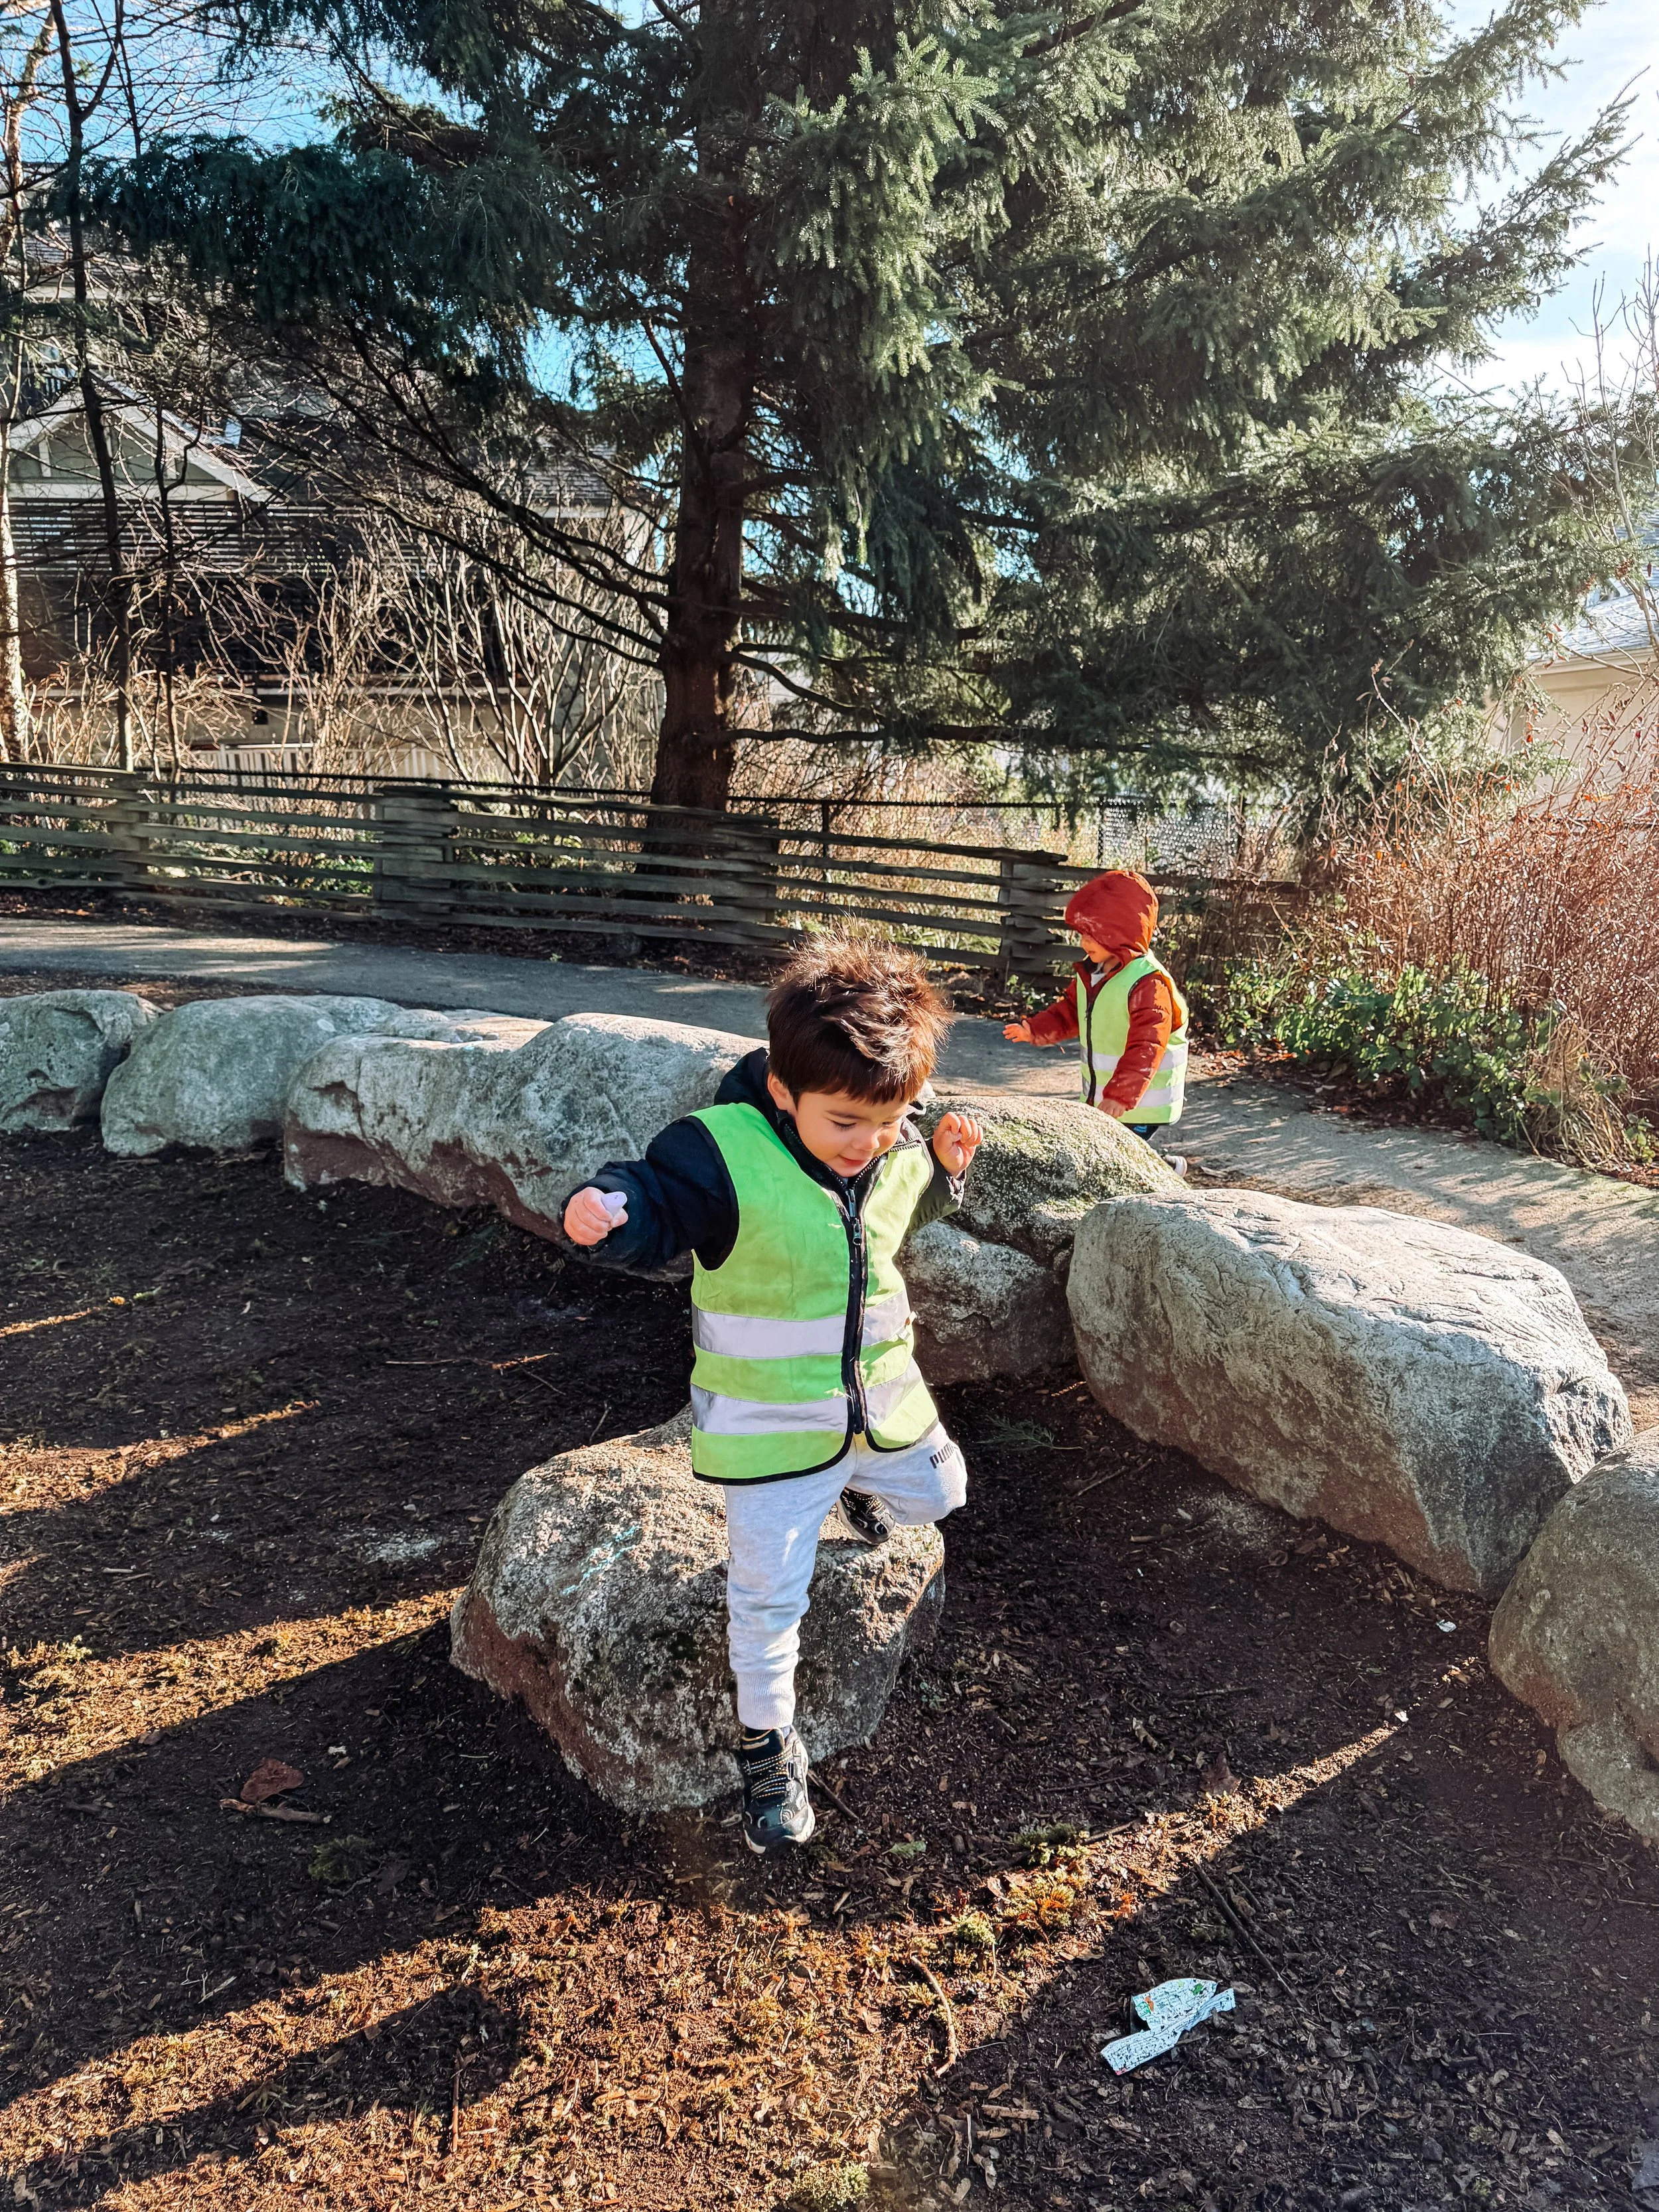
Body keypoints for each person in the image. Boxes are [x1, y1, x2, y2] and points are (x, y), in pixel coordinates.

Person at [561, 938, 983, 1856]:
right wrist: (608, 1211)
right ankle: (767, 1743)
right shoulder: (721, 1159)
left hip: (883, 1407)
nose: (868, 1143)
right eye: (845, 1125)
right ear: (785, 1093)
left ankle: (860, 1488)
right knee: (767, 1600)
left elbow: (898, 1206)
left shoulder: (888, 1132)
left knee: (944, 1495)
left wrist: (944, 1165)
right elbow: (659, 1201)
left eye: (892, 1117)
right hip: (772, 1431)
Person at [1003, 868, 1189, 1159]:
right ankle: (1166, 1167)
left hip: (1140, 1104)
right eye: (1081, 934)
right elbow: (1069, 1013)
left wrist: (1120, 1096)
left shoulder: (1148, 984)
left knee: (1122, 1155)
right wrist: (1035, 1030)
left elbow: (1147, 1046)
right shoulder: (1092, 974)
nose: (1083, 943)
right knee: (1117, 1153)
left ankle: (1163, 1173)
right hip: (1108, 1098)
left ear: (1119, 935)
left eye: (1091, 935)